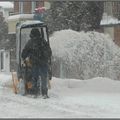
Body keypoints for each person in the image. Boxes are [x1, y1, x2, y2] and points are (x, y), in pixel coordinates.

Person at [21, 28, 52, 98]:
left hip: (35, 63)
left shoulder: (30, 42)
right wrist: (46, 59)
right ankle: (44, 93)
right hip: (44, 63)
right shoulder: (44, 41)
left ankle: (35, 92)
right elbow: (49, 52)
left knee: (35, 77)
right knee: (44, 78)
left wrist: (25, 57)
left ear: (31, 34)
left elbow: (24, 53)